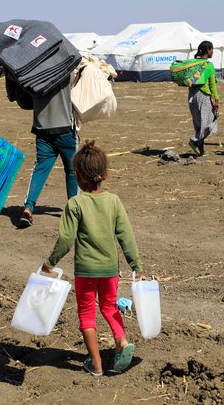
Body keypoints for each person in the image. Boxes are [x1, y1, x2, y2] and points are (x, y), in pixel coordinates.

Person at [41, 140, 145, 376]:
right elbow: (125, 235)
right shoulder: (113, 201)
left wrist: (50, 262)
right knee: (109, 307)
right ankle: (121, 340)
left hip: (86, 272)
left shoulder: (75, 204)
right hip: (110, 270)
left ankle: (96, 364)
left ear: (77, 176)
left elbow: (66, 240)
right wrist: (136, 265)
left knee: (87, 313)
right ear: (105, 174)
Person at [18, 75, 78, 227]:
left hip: (42, 129)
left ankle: (29, 207)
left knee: (40, 170)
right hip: (65, 129)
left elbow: (25, 101)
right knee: (72, 171)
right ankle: (74, 210)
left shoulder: (33, 74)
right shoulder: (66, 70)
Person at [187, 41, 220, 156]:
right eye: (212, 49)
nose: (213, 52)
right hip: (203, 96)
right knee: (210, 122)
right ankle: (194, 140)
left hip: (191, 95)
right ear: (207, 51)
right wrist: (216, 99)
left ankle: (201, 151)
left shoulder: (193, 63)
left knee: (198, 123)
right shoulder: (209, 65)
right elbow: (212, 85)